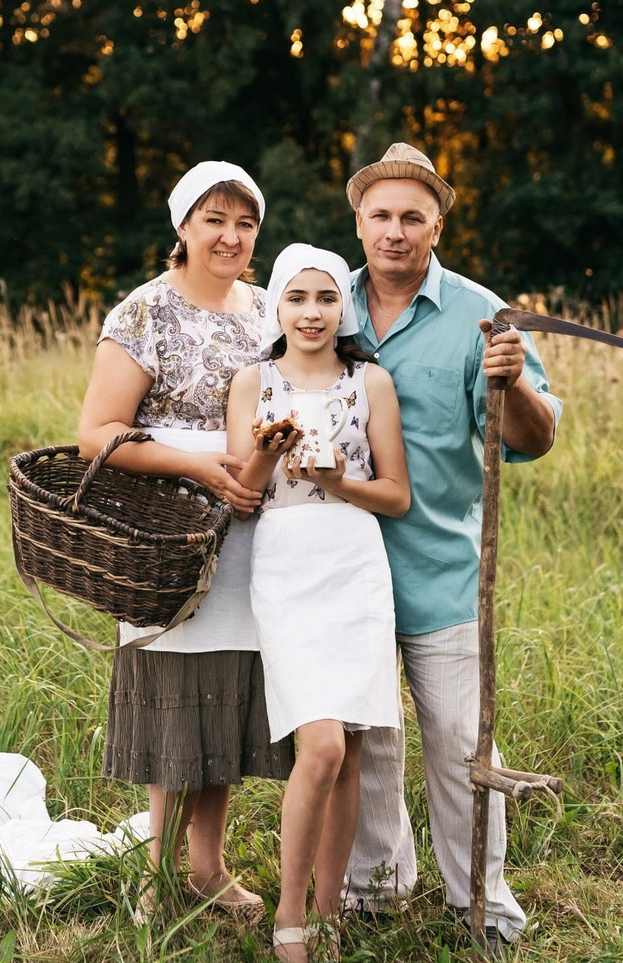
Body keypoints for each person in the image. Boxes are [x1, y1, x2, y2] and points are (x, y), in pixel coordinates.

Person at [340, 143, 563, 957]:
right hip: (342, 575)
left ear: (438, 222)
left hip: (440, 573)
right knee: (368, 741)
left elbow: (532, 441)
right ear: (358, 223)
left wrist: (515, 384)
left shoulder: (482, 314)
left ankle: (484, 907)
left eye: (412, 216)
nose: (394, 231)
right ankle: (374, 892)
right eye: (380, 216)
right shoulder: (324, 304)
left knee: (460, 748)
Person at [76, 160, 294, 924]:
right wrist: (200, 468)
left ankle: (207, 866)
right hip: (166, 531)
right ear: (182, 227)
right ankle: (157, 874)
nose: (231, 236)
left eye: (245, 224)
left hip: (249, 528)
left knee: (226, 695)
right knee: (173, 695)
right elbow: (96, 434)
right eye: (215, 220)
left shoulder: (270, 311)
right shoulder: (144, 312)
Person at [226, 244, 410, 963]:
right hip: (286, 560)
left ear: (345, 308)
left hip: (355, 560)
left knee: (354, 746)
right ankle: (290, 914)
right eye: (297, 298)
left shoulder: (372, 384)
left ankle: (331, 911)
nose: (311, 312)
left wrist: (340, 483)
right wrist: (271, 452)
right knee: (322, 743)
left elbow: (395, 495)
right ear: (276, 306)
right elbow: (243, 495)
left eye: (325, 298)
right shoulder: (253, 382)